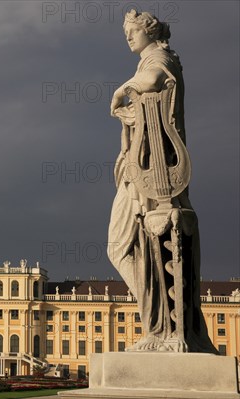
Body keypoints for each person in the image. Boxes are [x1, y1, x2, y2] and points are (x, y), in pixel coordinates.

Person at [108, 10, 216, 353]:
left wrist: (120, 90)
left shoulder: (159, 57)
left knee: (120, 245)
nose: (128, 37)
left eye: (132, 30)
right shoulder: (150, 60)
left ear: (149, 31)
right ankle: (158, 322)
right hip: (146, 168)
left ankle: (161, 325)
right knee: (125, 246)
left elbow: (154, 79)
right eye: (125, 32)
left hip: (154, 173)